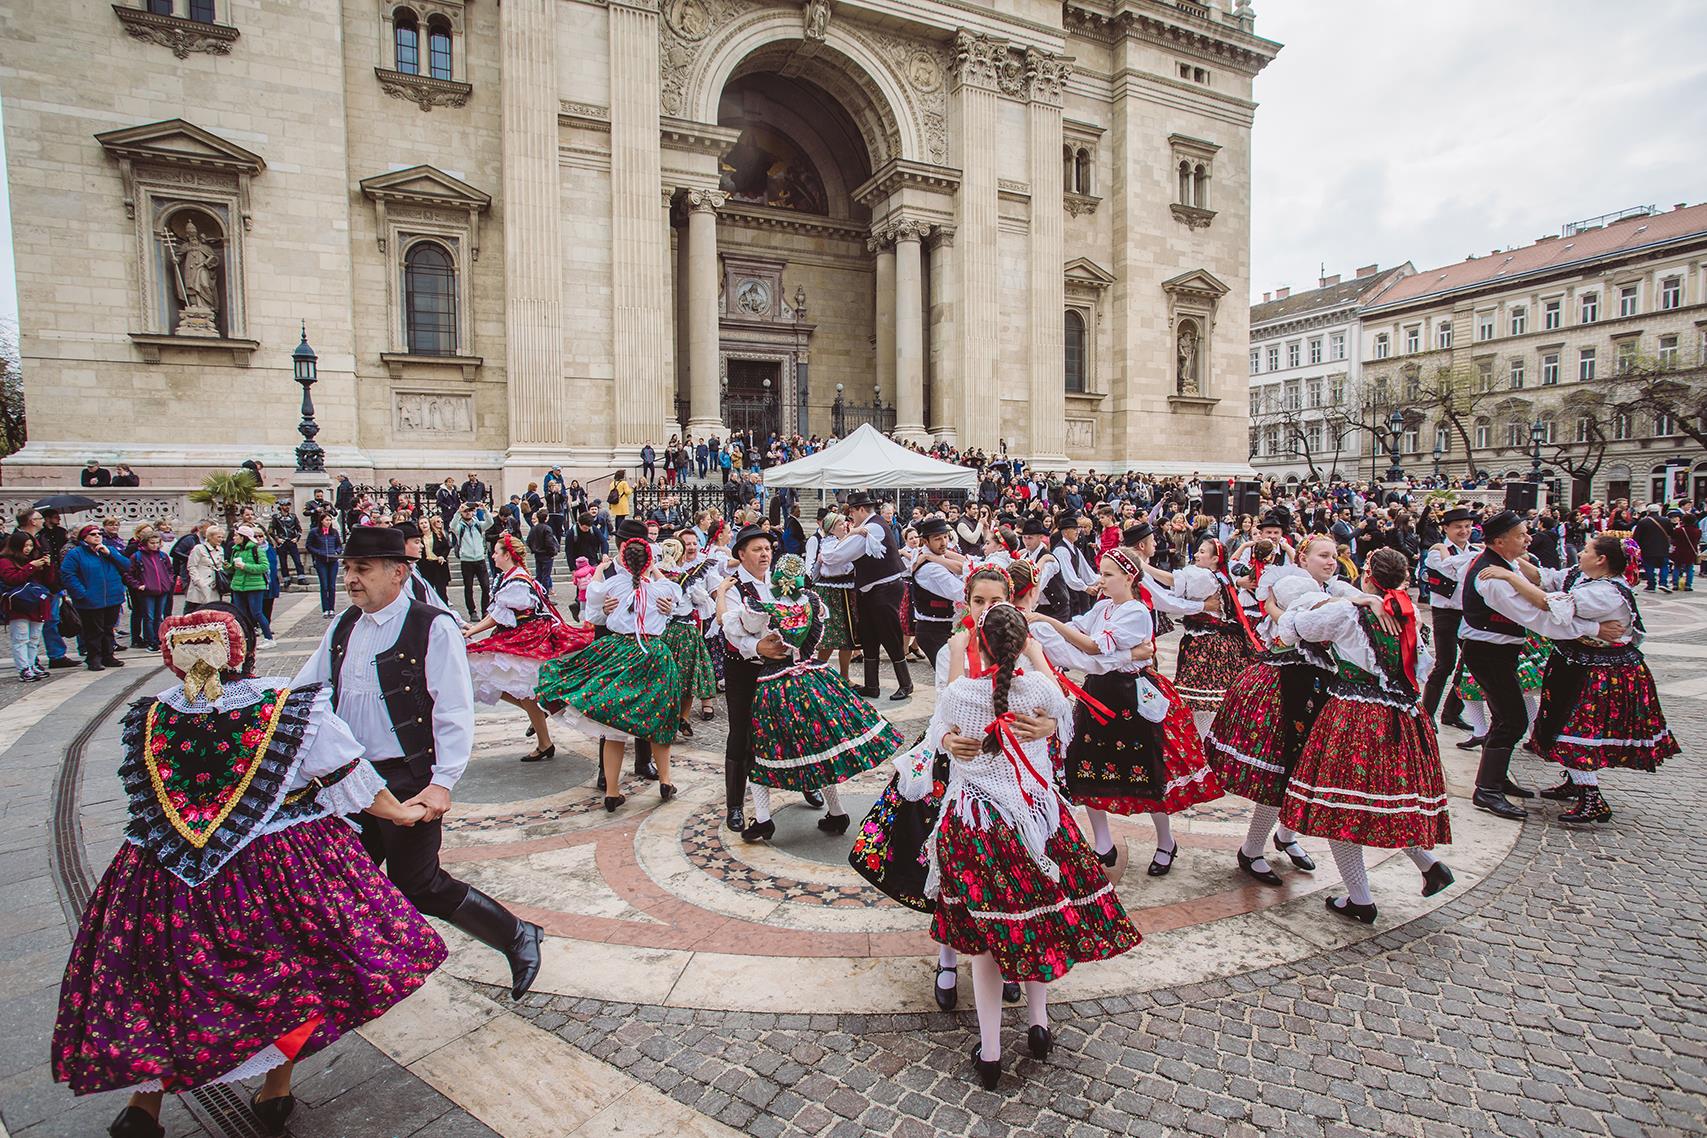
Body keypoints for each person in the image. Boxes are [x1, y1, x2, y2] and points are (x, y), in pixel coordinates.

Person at [51, 606, 446, 1138]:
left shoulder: (151, 715)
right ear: (245, 651)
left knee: (161, 979)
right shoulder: (284, 709)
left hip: (163, 872)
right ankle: (276, 1090)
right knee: (297, 971)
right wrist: (406, 812)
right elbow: (348, 775)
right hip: (272, 868)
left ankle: (145, 1107)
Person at [293, 526, 544, 1001]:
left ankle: (517, 935)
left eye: (362, 569)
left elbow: (452, 707)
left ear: (398, 572)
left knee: (418, 883)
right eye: (347, 568)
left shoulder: (432, 625)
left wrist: (442, 782)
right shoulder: (344, 624)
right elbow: (311, 690)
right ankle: (347, 975)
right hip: (350, 779)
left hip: (408, 777)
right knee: (343, 879)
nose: (350, 578)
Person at [913, 602, 1139, 1090]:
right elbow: (1068, 723)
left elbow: (936, 735)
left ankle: (991, 1051)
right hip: (1039, 821)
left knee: (989, 946)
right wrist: (1039, 666)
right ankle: (1038, 1023)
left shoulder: (959, 694)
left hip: (979, 825)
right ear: (1022, 645)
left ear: (980, 645)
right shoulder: (1040, 686)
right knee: (1038, 924)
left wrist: (952, 740)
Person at [1279, 549, 1455, 924]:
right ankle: (1429, 864)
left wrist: (1335, 599)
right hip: (1403, 716)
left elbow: (1292, 629)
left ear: (1369, 578)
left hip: (1355, 715)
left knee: (1340, 807)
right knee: (1384, 800)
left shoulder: (1348, 611)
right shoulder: (1409, 616)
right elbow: (1422, 667)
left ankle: (1360, 899)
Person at [1027, 547, 1222, 875]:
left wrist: (1045, 620)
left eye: (1107, 574)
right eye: (1101, 573)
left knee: (1149, 769)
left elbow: (1091, 645)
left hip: (1133, 696)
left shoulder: (1136, 611)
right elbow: (1080, 632)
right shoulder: (1103, 606)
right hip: (1100, 692)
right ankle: (1103, 844)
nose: (1100, 580)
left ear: (1130, 577)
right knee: (1086, 766)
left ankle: (1165, 841)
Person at [1483, 534, 1678, 824]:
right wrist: (1510, 557)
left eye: (1586, 550)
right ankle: (1577, 782)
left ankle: (1592, 797)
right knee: (1561, 721)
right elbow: (1544, 577)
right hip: (1578, 662)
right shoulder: (1583, 577)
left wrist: (1508, 576)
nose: (1580, 554)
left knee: (1576, 729)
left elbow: (1548, 602)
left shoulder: (1606, 593)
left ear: (1601, 560)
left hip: (1600, 672)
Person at [722, 553, 904, 840]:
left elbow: (733, 625)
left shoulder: (762, 607)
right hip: (811, 678)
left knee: (763, 750)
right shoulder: (810, 602)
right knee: (817, 747)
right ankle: (837, 811)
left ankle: (763, 818)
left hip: (776, 685)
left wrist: (723, 598)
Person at [536, 536, 682, 811]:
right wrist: (652, 571)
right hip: (654, 655)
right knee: (659, 719)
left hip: (620, 651)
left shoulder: (611, 586)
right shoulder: (664, 588)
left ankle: (613, 791)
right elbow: (676, 598)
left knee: (614, 728)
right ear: (649, 561)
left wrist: (603, 571)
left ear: (623, 562)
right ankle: (665, 780)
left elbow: (593, 614)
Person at [464, 532, 590, 763]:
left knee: (513, 684)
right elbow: (496, 614)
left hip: (528, 637)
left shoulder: (517, 581)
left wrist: (471, 631)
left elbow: (496, 616)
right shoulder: (510, 577)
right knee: (498, 680)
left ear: (508, 555)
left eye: (496, 552)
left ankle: (544, 741)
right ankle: (540, 723)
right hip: (520, 635)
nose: (492, 556)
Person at [845, 492, 913, 701]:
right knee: (868, 635)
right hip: (870, 589)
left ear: (861, 510)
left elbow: (840, 554)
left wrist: (849, 535)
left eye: (852, 513)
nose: (851, 518)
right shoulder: (868, 525)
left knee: (889, 635)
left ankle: (906, 683)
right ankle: (871, 685)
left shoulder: (873, 525)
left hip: (885, 587)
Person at [1419, 506, 1478, 730]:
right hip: (1446, 612)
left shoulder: (1472, 549)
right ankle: (1427, 713)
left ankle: (1452, 712)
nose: (1464, 531)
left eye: (1467, 526)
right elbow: (1453, 572)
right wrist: (1449, 553)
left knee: (1471, 663)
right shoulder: (1437, 551)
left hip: (1470, 612)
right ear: (1446, 528)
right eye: (1458, 527)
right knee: (1445, 663)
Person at [659, 530, 721, 732]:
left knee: (664, 677)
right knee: (687, 676)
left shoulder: (654, 577)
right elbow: (703, 599)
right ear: (680, 555)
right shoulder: (685, 578)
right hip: (684, 631)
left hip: (660, 632)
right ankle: (683, 717)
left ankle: (667, 717)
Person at [61, 524, 129, 671]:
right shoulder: (76, 554)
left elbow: (127, 565)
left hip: (112, 597)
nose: (97, 536)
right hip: (90, 599)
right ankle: (94, 658)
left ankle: (108, 655)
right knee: (94, 631)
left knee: (108, 629)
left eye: (99, 534)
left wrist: (111, 554)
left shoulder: (108, 550)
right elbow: (68, 574)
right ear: (84, 537)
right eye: (93, 534)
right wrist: (81, 593)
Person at [908, 517, 967, 668]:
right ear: (926, 542)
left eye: (945, 537)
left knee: (952, 677)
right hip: (933, 631)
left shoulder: (935, 556)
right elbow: (961, 593)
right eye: (937, 539)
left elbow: (966, 565)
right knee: (948, 676)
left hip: (944, 627)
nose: (943, 543)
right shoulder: (930, 569)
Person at [0, 531, 53, 681]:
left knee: (34, 637)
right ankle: (24, 668)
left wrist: (48, 566)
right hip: (19, 603)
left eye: (30, 545)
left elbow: (48, 581)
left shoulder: (33, 559)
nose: (28, 549)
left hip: (37, 602)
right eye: (25, 546)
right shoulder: (5, 561)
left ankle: (32, 664)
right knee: (21, 638)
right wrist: (30, 567)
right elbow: (12, 579)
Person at [124, 529, 175, 651]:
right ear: (146, 543)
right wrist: (138, 585)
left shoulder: (162, 556)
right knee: (149, 617)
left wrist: (168, 581)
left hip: (162, 589)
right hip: (147, 591)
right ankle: (150, 640)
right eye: (152, 543)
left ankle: (158, 639)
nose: (155, 545)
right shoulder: (137, 556)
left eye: (157, 543)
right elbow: (128, 574)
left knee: (159, 616)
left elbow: (170, 571)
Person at [227, 525, 274, 645]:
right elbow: (232, 570)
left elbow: (264, 566)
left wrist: (245, 566)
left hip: (255, 585)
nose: (234, 537)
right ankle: (246, 638)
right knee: (241, 613)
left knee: (257, 612)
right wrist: (227, 566)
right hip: (238, 586)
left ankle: (268, 638)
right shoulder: (236, 550)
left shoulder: (256, 550)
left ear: (244, 537)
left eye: (237, 535)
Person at [451, 501, 492, 619]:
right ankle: (472, 611)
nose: (468, 513)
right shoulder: (460, 527)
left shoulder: (478, 525)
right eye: (466, 511)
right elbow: (452, 526)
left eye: (470, 510)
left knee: (485, 586)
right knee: (468, 587)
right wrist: (458, 512)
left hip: (480, 559)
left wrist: (484, 510)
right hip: (466, 560)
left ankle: (485, 610)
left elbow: (490, 522)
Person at [305, 511, 343, 616]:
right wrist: (318, 552)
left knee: (332, 586)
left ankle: (332, 608)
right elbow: (309, 546)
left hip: (333, 561)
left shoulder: (334, 532)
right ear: (321, 521)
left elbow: (339, 545)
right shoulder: (314, 532)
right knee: (324, 585)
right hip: (321, 561)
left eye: (330, 520)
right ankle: (325, 609)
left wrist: (337, 551)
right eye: (326, 520)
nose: (329, 522)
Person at [268, 503, 306, 584]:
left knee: (297, 560)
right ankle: (286, 579)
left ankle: (301, 577)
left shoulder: (293, 516)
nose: (287, 507)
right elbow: (270, 530)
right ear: (281, 507)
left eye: (288, 505)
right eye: (285, 505)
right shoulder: (276, 517)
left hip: (291, 540)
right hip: (282, 542)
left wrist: (297, 538)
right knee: (283, 561)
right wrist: (277, 538)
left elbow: (299, 529)